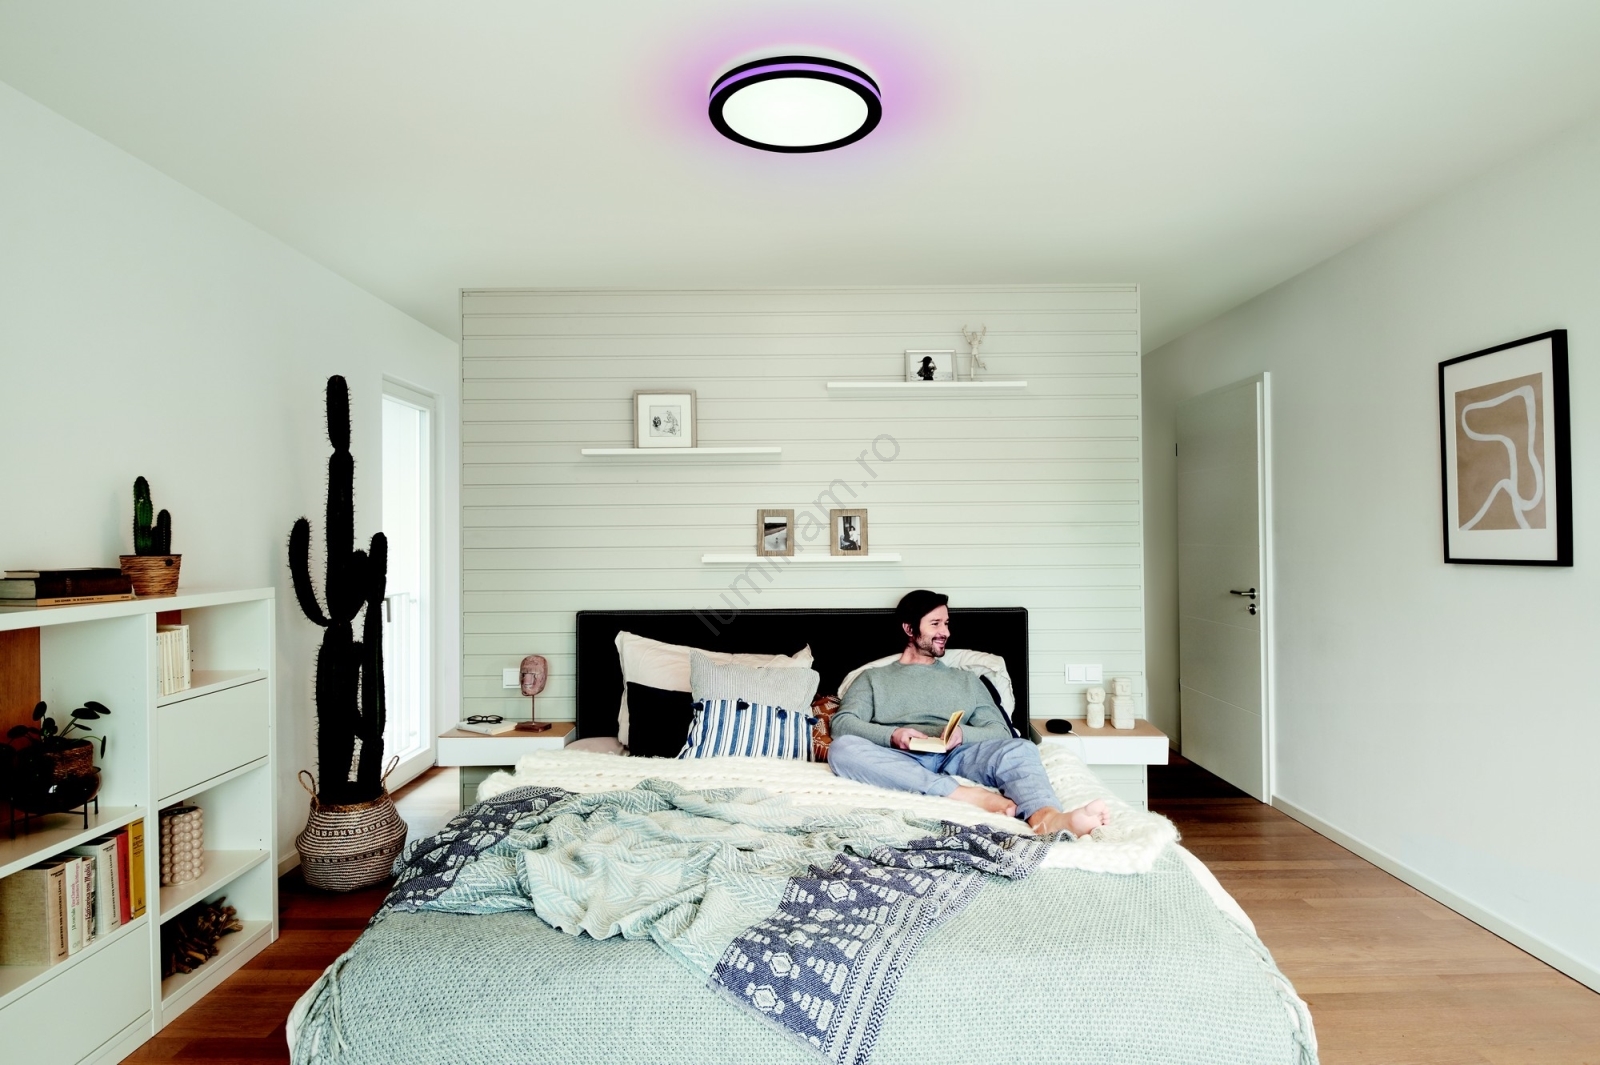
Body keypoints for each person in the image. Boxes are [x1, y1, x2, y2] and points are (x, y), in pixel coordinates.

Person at [828, 590, 1110, 837]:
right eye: (935, 624)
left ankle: (1049, 819)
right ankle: (960, 793)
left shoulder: (966, 679)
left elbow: (1000, 731)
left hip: (958, 755)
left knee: (1021, 748)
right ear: (909, 628)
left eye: (947, 623)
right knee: (842, 750)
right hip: (899, 757)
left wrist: (962, 735)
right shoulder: (873, 678)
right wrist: (894, 735)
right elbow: (842, 725)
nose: (945, 632)